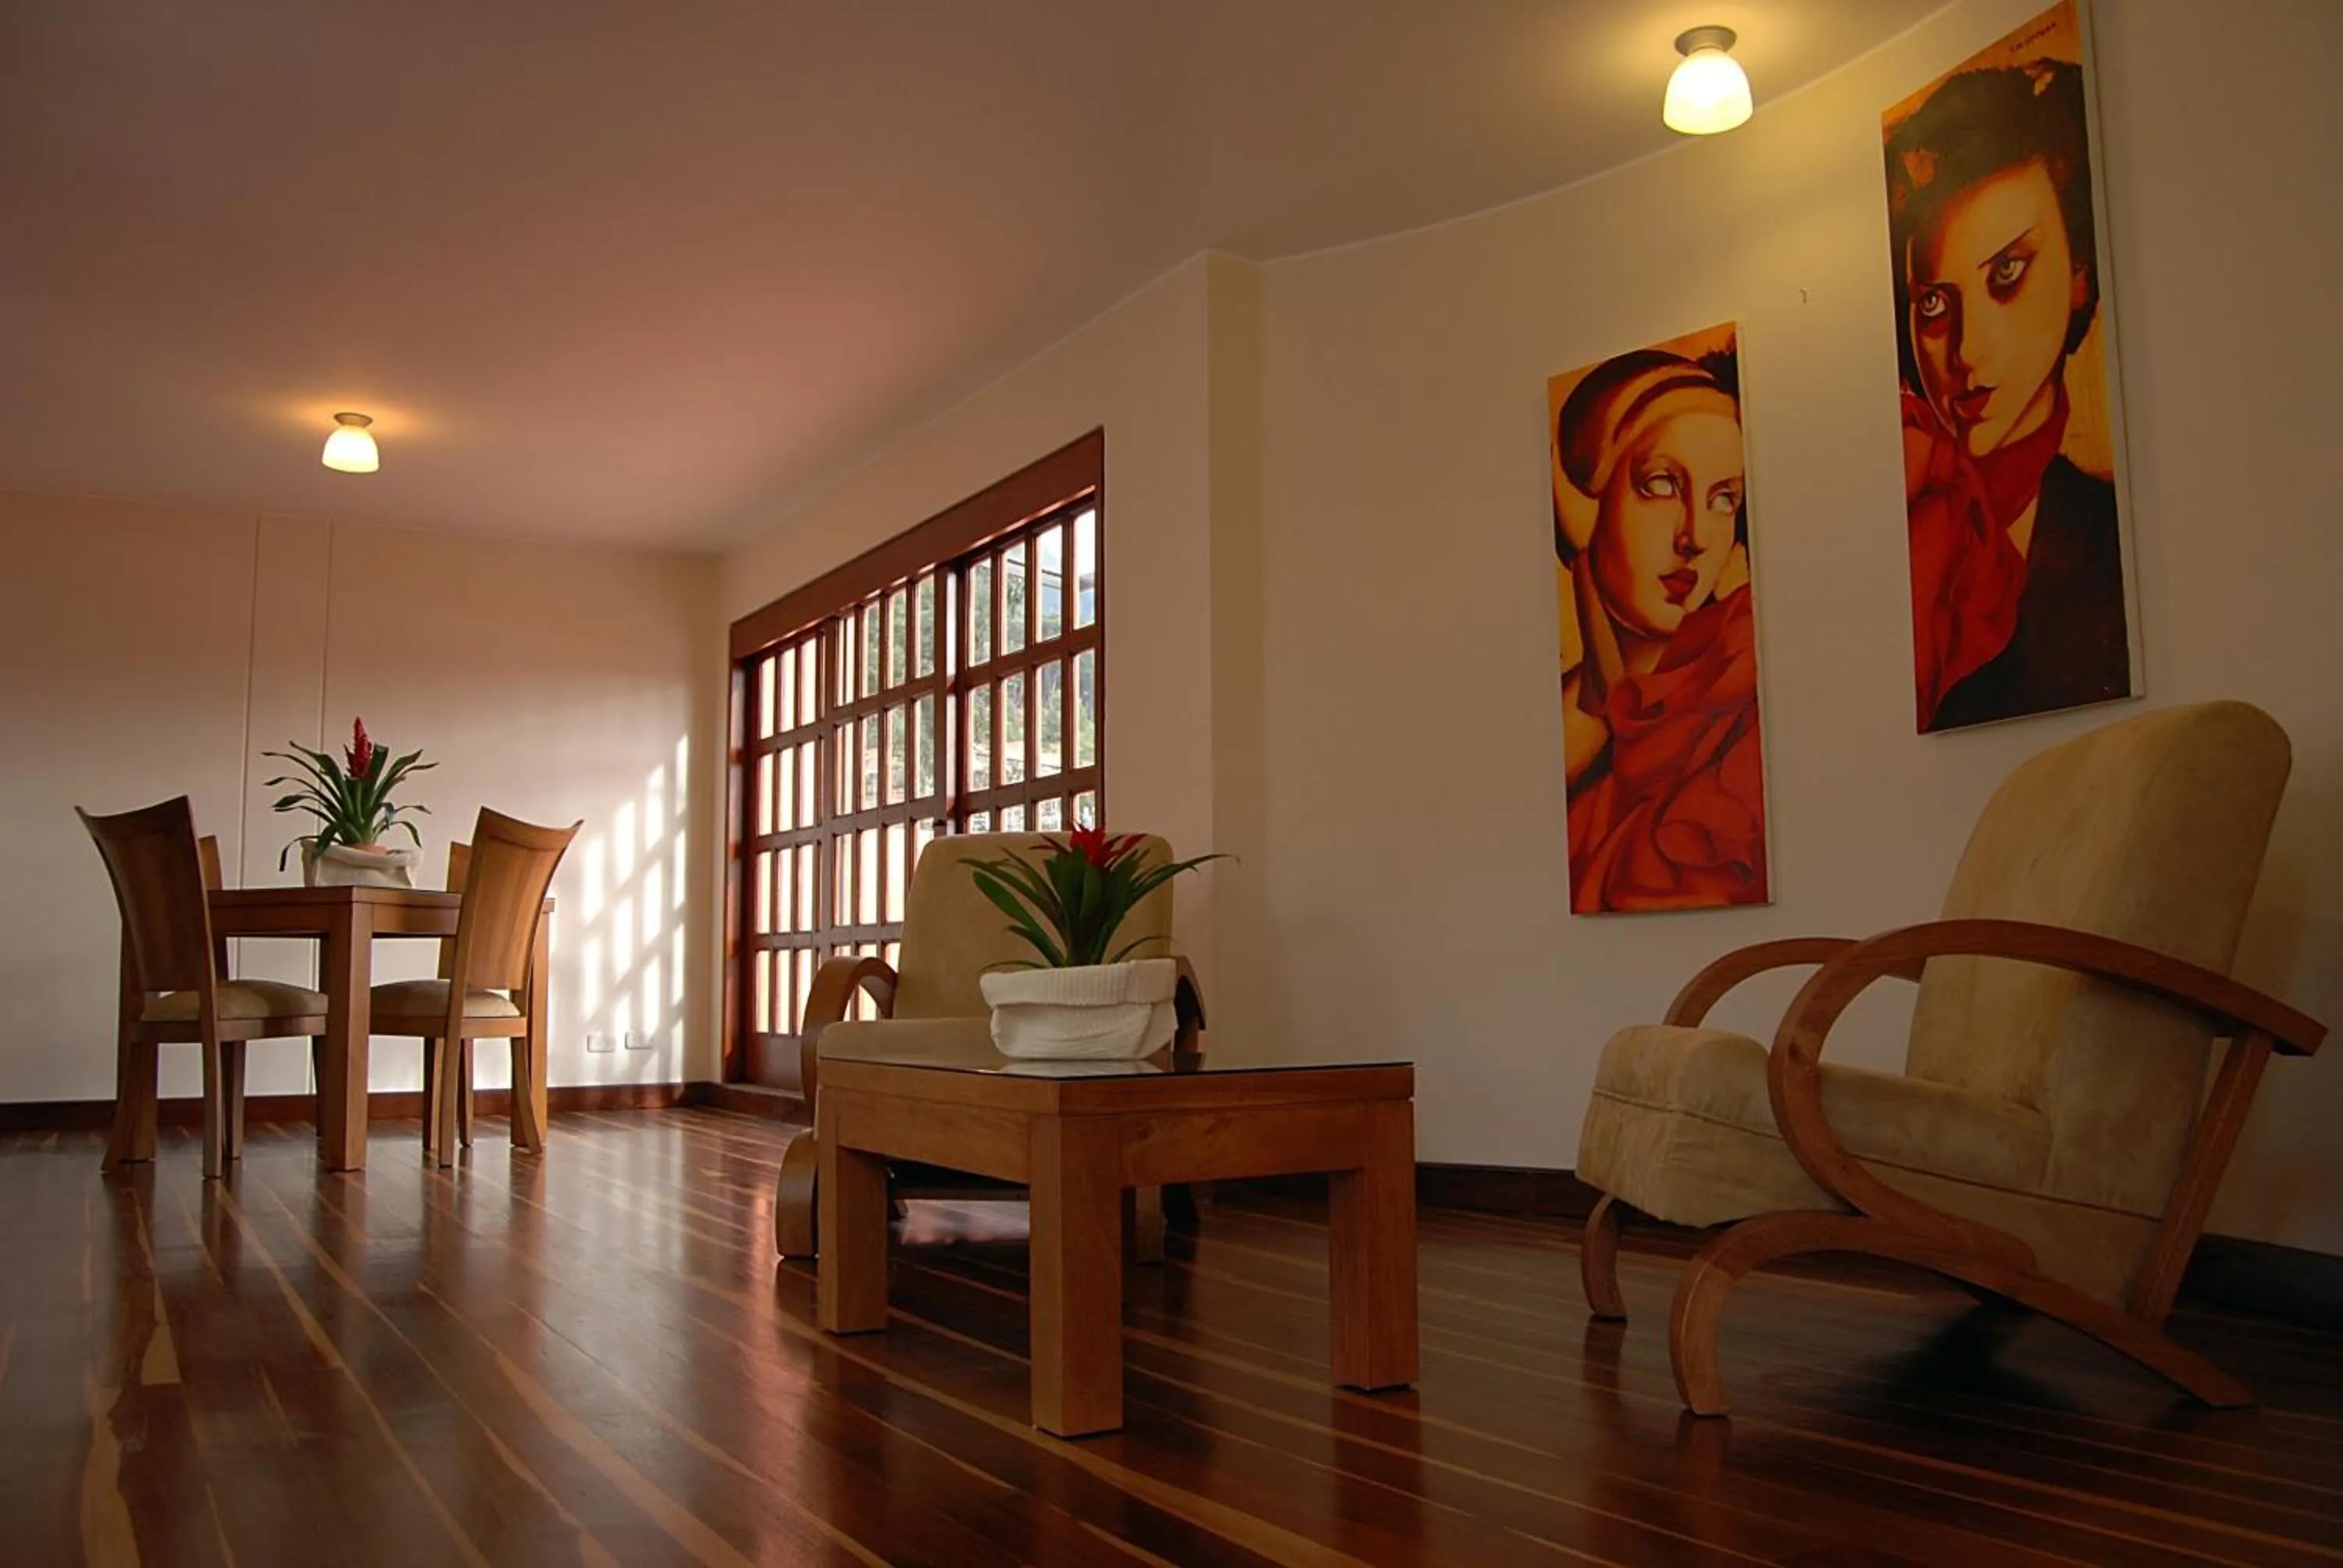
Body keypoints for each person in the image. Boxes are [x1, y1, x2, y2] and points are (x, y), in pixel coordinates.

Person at [1887, 59, 2131, 732]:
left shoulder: (2109, 536)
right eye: (1934, 302)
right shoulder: (1889, 550)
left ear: (2079, 273)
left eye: (2008, 274)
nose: (1967, 351)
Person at [1554, 346, 1768, 914]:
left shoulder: (1742, 689)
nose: (1695, 536)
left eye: (1724, 499)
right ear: (1586, 507)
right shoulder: (1560, 738)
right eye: (1661, 485)